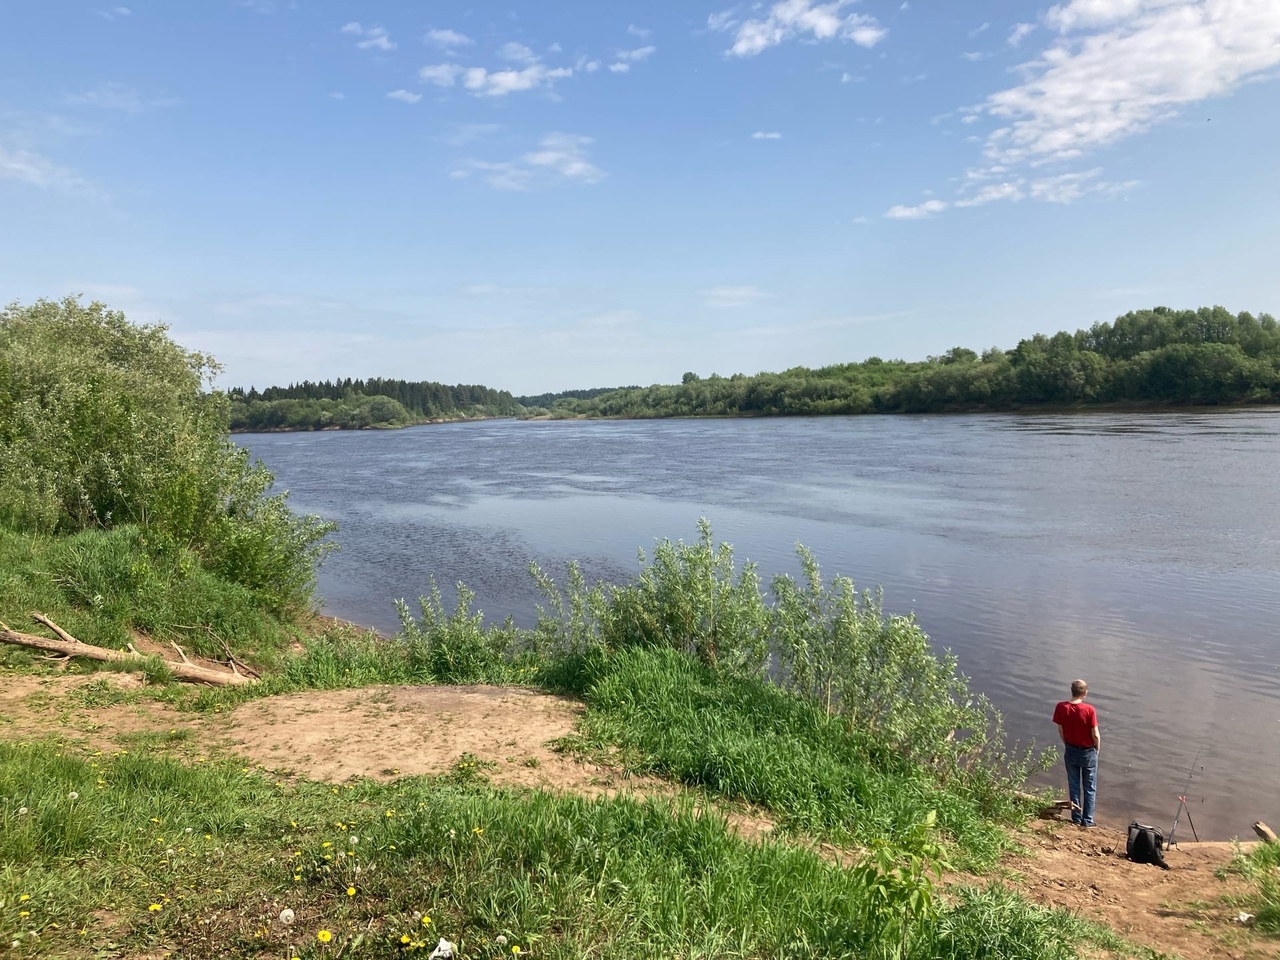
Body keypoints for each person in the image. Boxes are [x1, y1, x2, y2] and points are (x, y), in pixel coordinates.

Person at [1053, 679, 1100, 827]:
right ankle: (1087, 821)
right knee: (1089, 787)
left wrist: (1067, 743)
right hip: (1088, 752)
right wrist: (1097, 748)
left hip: (1071, 749)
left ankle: (1076, 817)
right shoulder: (1089, 710)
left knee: (1073, 785)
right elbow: (1095, 734)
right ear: (1085, 693)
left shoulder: (1061, 707)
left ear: (1072, 691)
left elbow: (1060, 729)